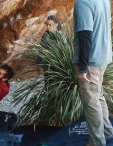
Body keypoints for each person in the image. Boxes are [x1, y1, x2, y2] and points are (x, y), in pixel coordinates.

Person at [73, 0, 113, 145]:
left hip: (91, 62)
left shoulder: (83, 2)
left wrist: (83, 69)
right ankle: (108, 132)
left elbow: (85, 35)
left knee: (91, 103)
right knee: (98, 96)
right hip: (103, 56)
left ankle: (97, 142)